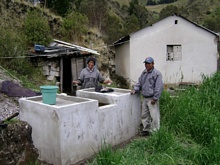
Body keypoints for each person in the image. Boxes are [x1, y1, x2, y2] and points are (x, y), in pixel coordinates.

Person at [131, 57, 163, 136]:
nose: (147, 65)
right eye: (146, 63)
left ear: (153, 64)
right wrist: (135, 89)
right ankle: (146, 130)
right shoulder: (144, 73)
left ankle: (155, 132)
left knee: (154, 116)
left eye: (149, 63)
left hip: (152, 98)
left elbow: (158, 87)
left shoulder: (157, 74)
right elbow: (139, 83)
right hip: (145, 97)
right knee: (144, 115)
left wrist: (155, 98)